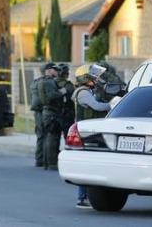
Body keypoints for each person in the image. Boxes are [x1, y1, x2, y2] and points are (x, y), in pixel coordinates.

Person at [72, 63, 112, 209]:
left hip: (88, 130)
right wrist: (112, 104)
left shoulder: (87, 91)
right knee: (86, 166)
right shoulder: (83, 93)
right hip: (85, 132)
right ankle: (82, 198)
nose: (96, 78)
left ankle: (86, 197)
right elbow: (97, 106)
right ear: (86, 78)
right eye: (93, 76)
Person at [40, 62, 67, 170]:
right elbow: (52, 96)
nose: (57, 72)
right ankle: (52, 163)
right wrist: (62, 92)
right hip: (51, 112)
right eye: (55, 70)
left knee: (49, 137)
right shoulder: (49, 82)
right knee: (53, 138)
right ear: (50, 70)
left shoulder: (45, 81)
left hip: (48, 112)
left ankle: (47, 162)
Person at [29, 63, 52, 168]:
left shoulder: (35, 82)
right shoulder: (47, 82)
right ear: (46, 71)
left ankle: (39, 159)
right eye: (51, 69)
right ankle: (45, 160)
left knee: (40, 135)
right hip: (44, 111)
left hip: (37, 112)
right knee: (46, 135)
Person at [57, 64, 75, 144]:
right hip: (67, 114)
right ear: (66, 74)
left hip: (56, 113)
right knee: (68, 137)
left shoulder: (52, 83)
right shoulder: (68, 85)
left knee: (55, 139)